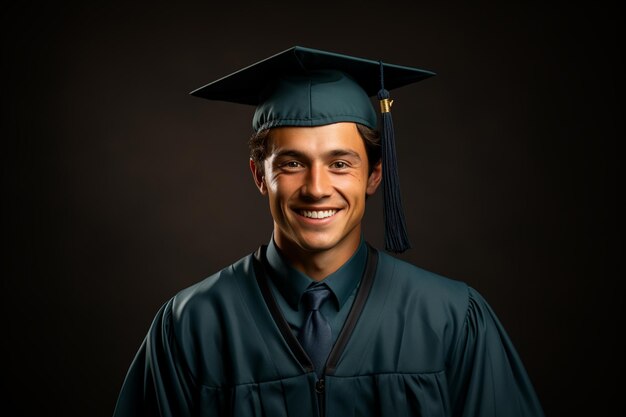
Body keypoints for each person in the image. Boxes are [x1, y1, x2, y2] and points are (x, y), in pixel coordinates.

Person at [112, 46, 544, 417]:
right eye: (292, 164)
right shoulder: (191, 325)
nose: (317, 189)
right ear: (259, 176)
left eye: (340, 164)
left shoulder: (451, 319)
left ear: (375, 175)